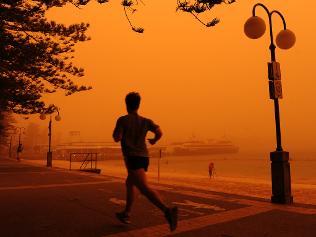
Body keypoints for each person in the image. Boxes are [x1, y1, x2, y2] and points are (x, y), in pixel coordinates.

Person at [112, 92, 178, 231]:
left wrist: (120, 134)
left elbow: (117, 137)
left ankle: (167, 211)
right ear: (138, 105)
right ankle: (126, 213)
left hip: (132, 158)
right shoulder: (146, 121)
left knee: (144, 189)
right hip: (144, 157)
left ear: (126, 104)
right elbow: (159, 132)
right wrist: (154, 140)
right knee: (129, 183)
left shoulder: (123, 120)